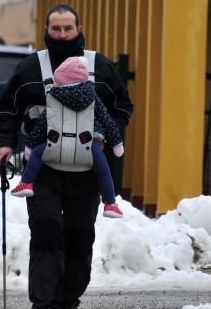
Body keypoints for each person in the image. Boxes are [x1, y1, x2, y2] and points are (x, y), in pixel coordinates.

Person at [0, 4, 132, 309]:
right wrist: (6, 141)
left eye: (67, 29)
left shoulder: (100, 67)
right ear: (46, 29)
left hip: (86, 170)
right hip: (43, 171)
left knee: (79, 236)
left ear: (79, 28)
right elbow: (8, 108)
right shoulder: (30, 68)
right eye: (55, 29)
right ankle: (44, 307)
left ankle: (69, 300)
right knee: (45, 231)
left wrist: (106, 135)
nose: (61, 35)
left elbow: (123, 107)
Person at [10, 56, 125, 219]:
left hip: (55, 144)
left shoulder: (54, 97)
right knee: (103, 170)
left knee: (36, 154)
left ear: (64, 81)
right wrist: (117, 144)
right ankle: (110, 204)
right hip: (88, 145)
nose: (55, 83)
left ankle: (27, 183)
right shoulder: (93, 97)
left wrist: (30, 147)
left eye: (57, 80)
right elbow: (107, 121)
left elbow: (42, 125)